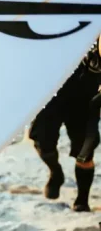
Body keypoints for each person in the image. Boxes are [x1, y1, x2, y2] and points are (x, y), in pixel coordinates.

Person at [28, 34, 101, 212]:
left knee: (84, 153)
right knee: (42, 142)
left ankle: (82, 199)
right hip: (53, 94)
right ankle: (56, 172)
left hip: (85, 99)